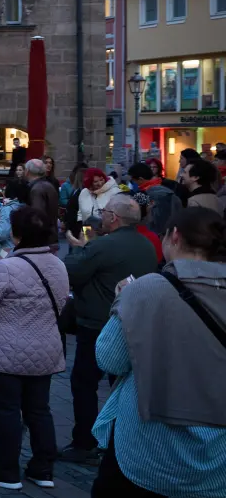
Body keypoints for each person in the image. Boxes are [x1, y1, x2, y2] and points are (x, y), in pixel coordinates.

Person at [81, 208, 226, 498]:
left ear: (174, 236)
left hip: (148, 436)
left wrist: (123, 303)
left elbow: (109, 358)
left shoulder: (146, 289)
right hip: (218, 441)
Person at [0, 207, 69, 491]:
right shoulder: (58, 265)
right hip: (46, 348)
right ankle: (43, 469)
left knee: (8, 411)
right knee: (40, 410)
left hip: (6, 349)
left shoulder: (8, 267)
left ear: (17, 234)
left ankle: (7, 472)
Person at [61, 193, 159, 465]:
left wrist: (81, 247)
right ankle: (119, 441)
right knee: (121, 385)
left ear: (114, 218)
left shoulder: (105, 245)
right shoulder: (146, 244)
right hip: (133, 322)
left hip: (98, 323)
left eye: (104, 212)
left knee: (84, 383)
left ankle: (85, 441)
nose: (101, 215)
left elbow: (73, 271)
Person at [128, 162, 182, 235]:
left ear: (140, 179)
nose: (132, 183)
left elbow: (158, 223)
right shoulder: (163, 189)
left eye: (132, 180)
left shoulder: (153, 194)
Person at [75, 168, 122, 235]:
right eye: (95, 182)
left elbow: (119, 215)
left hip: (107, 231)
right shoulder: (84, 192)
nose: (100, 183)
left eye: (101, 179)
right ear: (90, 182)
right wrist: (81, 227)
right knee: (89, 245)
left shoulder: (115, 192)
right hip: (87, 230)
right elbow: (80, 213)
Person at [24, 159, 60, 227]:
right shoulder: (49, 185)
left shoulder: (36, 189)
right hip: (50, 232)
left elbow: (37, 217)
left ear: (27, 171)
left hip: (41, 235)